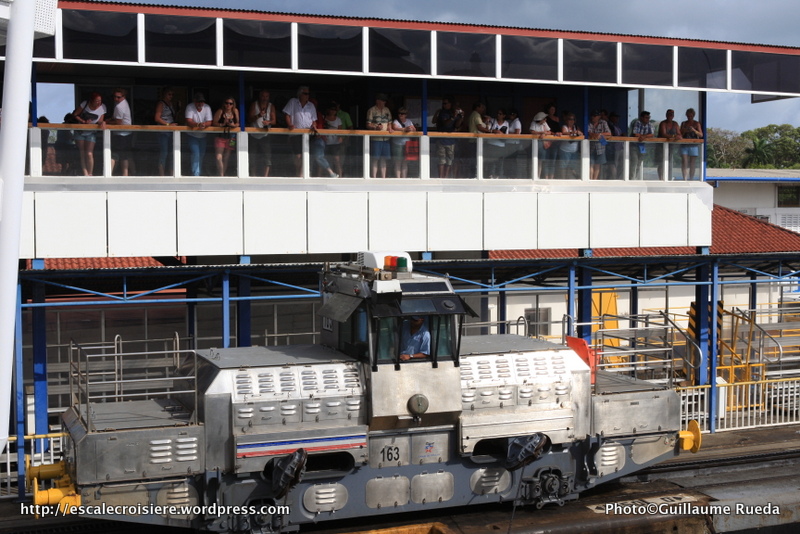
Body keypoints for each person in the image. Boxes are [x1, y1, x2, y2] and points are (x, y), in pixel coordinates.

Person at [283, 86, 317, 177]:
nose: (307, 96)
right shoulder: (293, 102)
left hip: (308, 134)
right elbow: (287, 114)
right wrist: (290, 124)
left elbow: (314, 120)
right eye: (305, 94)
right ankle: (297, 172)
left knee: (305, 154)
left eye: (308, 94)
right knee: (298, 156)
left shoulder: (311, 105)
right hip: (296, 133)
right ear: (300, 94)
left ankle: (301, 174)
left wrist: (314, 125)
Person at [71, 92, 106, 176]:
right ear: (92, 100)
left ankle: (90, 173)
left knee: (89, 153)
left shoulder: (103, 107)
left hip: (91, 132)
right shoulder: (85, 104)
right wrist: (83, 122)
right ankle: (85, 173)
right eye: (97, 101)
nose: (98, 103)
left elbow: (100, 120)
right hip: (80, 131)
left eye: (100, 101)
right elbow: (75, 114)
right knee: (82, 152)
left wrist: (103, 122)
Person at [246, 89, 276, 177]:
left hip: (265, 135)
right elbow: (249, 119)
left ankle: (265, 176)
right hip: (253, 134)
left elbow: (274, 121)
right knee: (252, 156)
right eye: (263, 96)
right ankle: (253, 175)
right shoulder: (254, 105)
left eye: (266, 96)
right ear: (260, 96)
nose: (264, 98)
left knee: (267, 156)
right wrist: (258, 115)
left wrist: (269, 122)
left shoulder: (271, 106)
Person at [432, 96, 463, 178]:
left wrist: (461, 117)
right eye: (443, 104)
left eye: (445, 103)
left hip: (451, 140)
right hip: (441, 139)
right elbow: (446, 123)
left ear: (450, 104)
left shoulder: (453, 112)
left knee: (449, 160)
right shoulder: (442, 112)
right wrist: (453, 117)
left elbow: (457, 125)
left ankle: (445, 178)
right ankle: (441, 177)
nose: (444, 105)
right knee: (442, 160)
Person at [184, 92, 213, 176]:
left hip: (203, 136)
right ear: (194, 101)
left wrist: (204, 125)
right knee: (196, 153)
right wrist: (197, 125)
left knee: (201, 155)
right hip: (192, 135)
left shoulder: (207, 107)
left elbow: (209, 122)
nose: (200, 104)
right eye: (198, 102)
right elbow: (189, 121)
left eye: (202, 102)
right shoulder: (190, 107)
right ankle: (195, 174)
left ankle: (198, 172)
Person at [106, 88, 132, 176]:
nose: (116, 99)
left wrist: (107, 123)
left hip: (121, 135)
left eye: (118, 97)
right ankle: (125, 175)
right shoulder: (123, 103)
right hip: (126, 133)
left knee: (115, 155)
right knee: (124, 155)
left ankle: (108, 174)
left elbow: (118, 122)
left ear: (124, 97)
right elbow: (115, 118)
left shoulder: (119, 106)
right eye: (114, 97)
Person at [154, 87, 180, 176]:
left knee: (171, 152)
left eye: (172, 94)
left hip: (171, 132)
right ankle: (162, 174)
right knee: (164, 152)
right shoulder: (161, 104)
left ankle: (172, 172)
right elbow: (157, 118)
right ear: (165, 94)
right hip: (163, 132)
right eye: (169, 94)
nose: (171, 96)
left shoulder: (171, 104)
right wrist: (168, 125)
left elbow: (173, 116)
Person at [366, 93, 392, 178]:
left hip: (386, 139)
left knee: (384, 159)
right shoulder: (372, 110)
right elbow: (368, 124)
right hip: (376, 139)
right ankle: (374, 177)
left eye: (385, 101)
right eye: (382, 100)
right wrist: (375, 127)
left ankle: (383, 177)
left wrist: (390, 128)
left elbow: (390, 122)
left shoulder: (387, 110)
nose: (384, 102)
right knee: (375, 159)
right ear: (377, 101)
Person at [213, 97, 239, 177]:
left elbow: (238, 123)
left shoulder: (235, 111)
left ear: (233, 104)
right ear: (224, 104)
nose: (228, 105)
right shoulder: (220, 111)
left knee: (226, 157)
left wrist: (233, 125)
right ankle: (221, 174)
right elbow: (214, 123)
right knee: (218, 156)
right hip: (221, 135)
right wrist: (222, 124)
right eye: (227, 103)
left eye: (230, 103)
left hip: (231, 136)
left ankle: (222, 174)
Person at [390, 106, 416, 178]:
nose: (400, 115)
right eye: (399, 114)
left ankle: (404, 178)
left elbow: (414, 129)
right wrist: (405, 129)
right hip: (397, 144)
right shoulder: (395, 121)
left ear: (406, 115)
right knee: (398, 162)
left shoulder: (409, 121)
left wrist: (411, 128)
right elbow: (395, 128)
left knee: (405, 162)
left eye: (402, 114)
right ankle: (398, 178)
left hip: (407, 144)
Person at [657, 109, 682, 180]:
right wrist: (674, 136)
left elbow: (679, 134)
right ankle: (661, 178)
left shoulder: (675, 124)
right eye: (669, 114)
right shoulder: (663, 123)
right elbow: (663, 134)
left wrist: (678, 136)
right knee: (661, 163)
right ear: (666, 115)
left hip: (671, 146)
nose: (670, 115)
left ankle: (668, 177)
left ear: (673, 116)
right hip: (661, 146)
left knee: (669, 162)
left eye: (671, 114)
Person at [587, 110, 611, 180]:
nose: (593, 117)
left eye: (594, 116)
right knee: (590, 164)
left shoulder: (603, 123)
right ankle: (590, 179)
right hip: (591, 147)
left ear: (599, 117)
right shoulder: (589, 123)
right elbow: (588, 132)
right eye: (592, 116)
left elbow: (609, 133)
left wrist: (600, 134)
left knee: (597, 165)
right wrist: (593, 135)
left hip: (601, 147)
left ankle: (594, 180)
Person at [680, 108, 703, 181]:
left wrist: (694, 130)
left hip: (693, 144)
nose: (689, 117)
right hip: (684, 144)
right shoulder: (684, 123)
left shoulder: (696, 123)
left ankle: (691, 178)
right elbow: (680, 134)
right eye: (688, 116)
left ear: (693, 115)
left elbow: (701, 135)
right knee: (684, 161)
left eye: (691, 116)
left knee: (692, 162)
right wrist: (685, 130)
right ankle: (685, 178)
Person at [485, 108, 509, 178]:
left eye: (500, 114)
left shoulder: (506, 123)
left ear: (504, 115)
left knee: (499, 162)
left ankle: (498, 176)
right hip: (491, 144)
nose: (498, 115)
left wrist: (500, 133)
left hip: (501, 145)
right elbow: (488, 129)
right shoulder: (493, 121)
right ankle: (490, 175)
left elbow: (506, 135)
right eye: (497, 114)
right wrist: (495, 131)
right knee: (491, 161)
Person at [630, 110, 654, 180]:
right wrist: (644, 136)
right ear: (642, 118)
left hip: (642, 146)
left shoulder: (649, 124)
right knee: (634, 162)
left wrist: (644, 136)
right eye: (646, 117)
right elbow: (635, 133)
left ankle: (636, 177)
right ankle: (631, 178)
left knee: (639, 163)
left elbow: (652, 134)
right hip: (634, 145)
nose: (648, 119)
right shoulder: (637, 122)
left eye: (649, 117)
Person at [559, 112, 582, 179]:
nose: (571, 121)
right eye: (569, 119)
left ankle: (569, 179)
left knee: (572, 167)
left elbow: (581, 134)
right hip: (565, 150)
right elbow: (564, 132)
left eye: (573, 119)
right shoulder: (564, 127)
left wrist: (578, 132)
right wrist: (573, 132)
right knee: (563, 167)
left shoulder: (576, 127)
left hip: (574, 150)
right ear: (566, 120)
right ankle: (563, 180)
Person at [530, 111, 551, 179]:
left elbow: (549, 131)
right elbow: (532, 131)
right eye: (544, 119)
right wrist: (541, 132)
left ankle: (538, 176)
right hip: (534, 144)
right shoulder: (533, 123)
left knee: (540, 161)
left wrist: (544, 134)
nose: (545, 120)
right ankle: (533, 176)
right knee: (534, 159)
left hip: (542, 144)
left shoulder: (545, 124)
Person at [606, 111, 624, 180]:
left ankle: (618, 178)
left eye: (617, 117)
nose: (617, 119)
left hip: (620, 147)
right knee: (614, 164)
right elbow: (611, 135)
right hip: (614, 148)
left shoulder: (616, 125)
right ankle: (613, 179)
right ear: (611, 117)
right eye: (615, 117)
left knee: (621, 165)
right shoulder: (609, 125)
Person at [505, 109, 523, 178]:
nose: (510, 116)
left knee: (512, 159)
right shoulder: (512, 122)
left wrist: (507, 133)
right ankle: (509, 174)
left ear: (515, 115)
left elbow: (517, 133)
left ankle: (513, 175)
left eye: (511, 115)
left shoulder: (517, 122)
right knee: (509, 159)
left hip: (514, 143)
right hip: (510, 143)